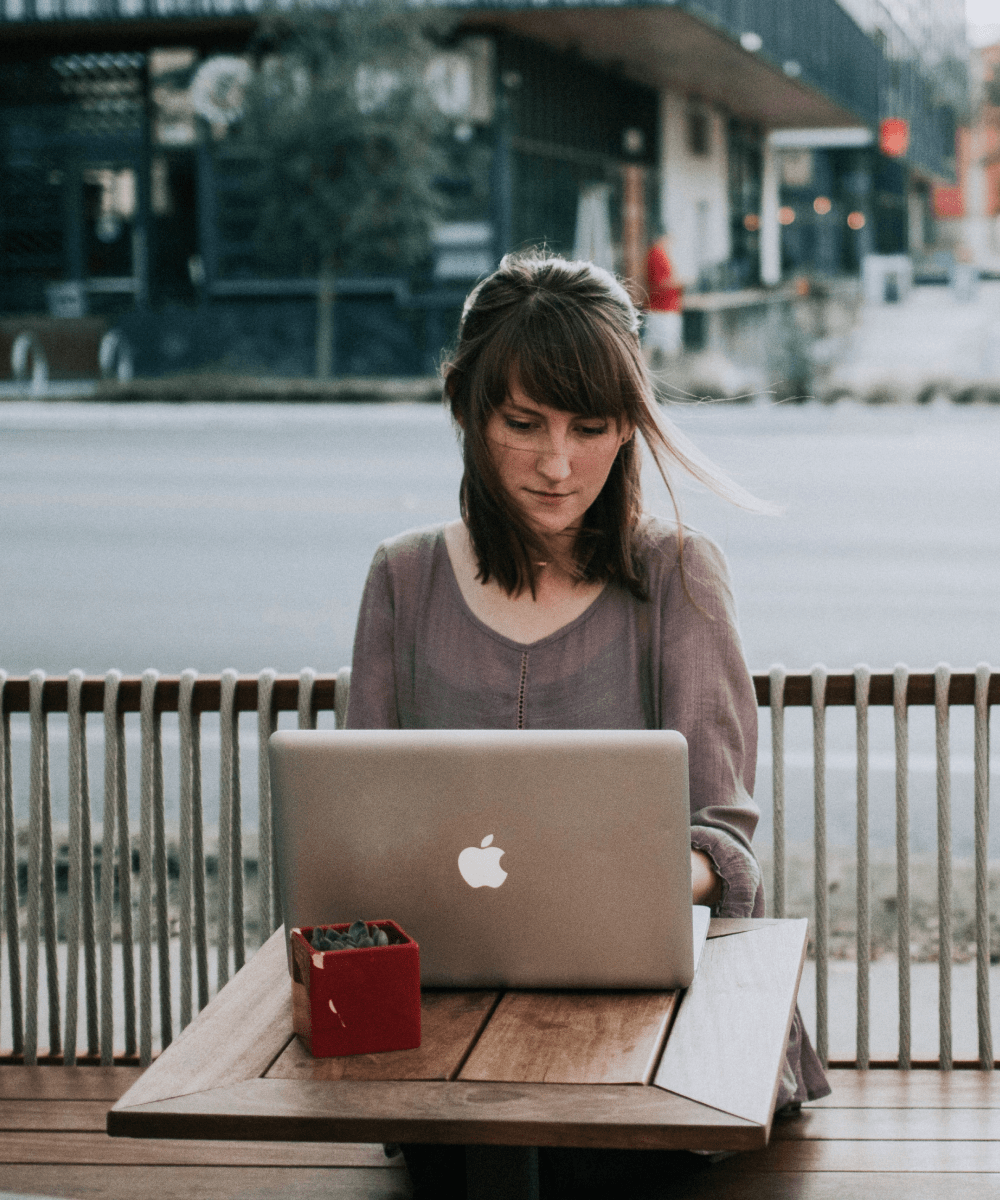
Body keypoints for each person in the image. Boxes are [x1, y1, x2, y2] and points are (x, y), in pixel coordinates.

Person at [346, 252, 829, 1197]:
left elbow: (724, 844)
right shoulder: (403, 579)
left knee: (573, 1158)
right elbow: (358, 827)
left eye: (591, 427)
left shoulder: (678, 574)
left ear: (629, 430)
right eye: (522, 424)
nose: (557, 465)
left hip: (655, 1028)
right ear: (466, 410)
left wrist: (606, 881)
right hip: (448, 1023)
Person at [643, 230, 684, 366]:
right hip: (662, 308)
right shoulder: (657, 254)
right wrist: (680, 283)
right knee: (665, 345)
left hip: (662, 307)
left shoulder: (657, 254)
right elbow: (660, 283)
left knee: (652, 343)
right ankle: (668, 376)